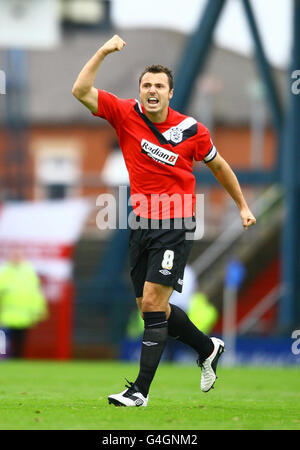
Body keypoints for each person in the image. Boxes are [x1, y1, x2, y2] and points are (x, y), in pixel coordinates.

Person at [72, 35, 256, 407]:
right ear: (139, 91)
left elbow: (219, 166)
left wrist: (242, 205)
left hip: (176, 224)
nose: (151, 90)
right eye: (146, 85)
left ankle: (139, 391)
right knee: (149, 308)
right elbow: (80, 89)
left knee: (154, 305)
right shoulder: (124, 114)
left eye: (159, 86)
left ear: (170, 93)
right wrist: (104, 51)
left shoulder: (192, 130)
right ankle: (207, 348)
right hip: (140, 224)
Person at [0, 250, 48, 358]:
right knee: (5, 339)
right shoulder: (4, 272)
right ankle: (5, 358)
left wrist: (39, 310)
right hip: (6, 313)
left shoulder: (29, 272)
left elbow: (36, 293)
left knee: (20, 339)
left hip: (23, 314)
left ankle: (17, 358)